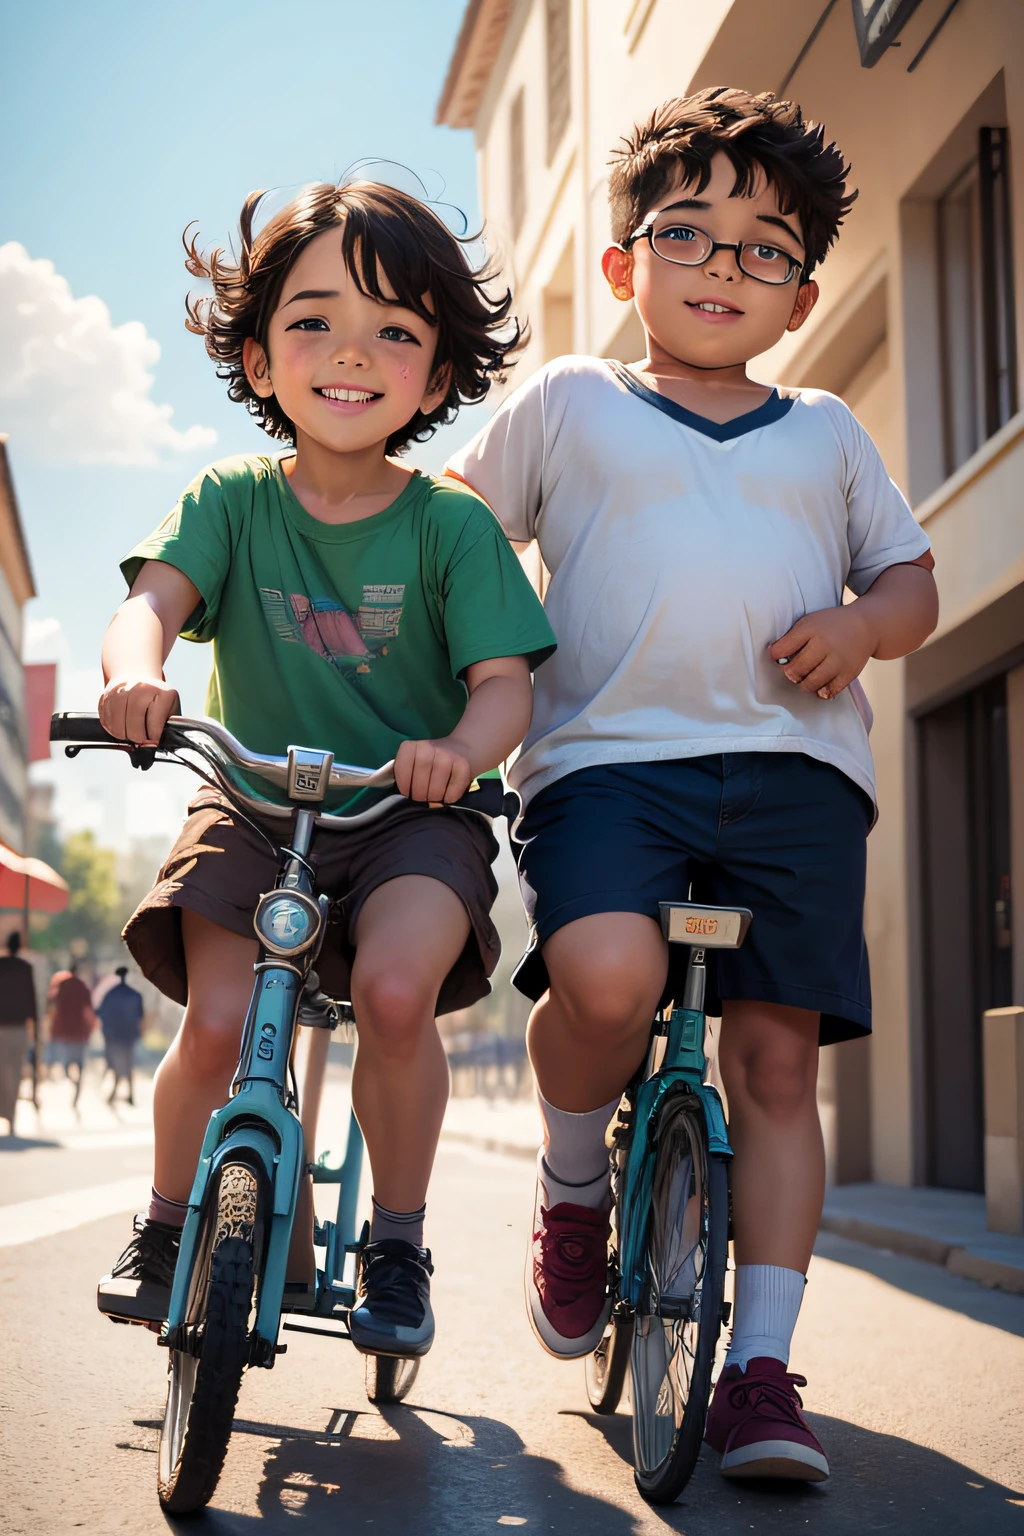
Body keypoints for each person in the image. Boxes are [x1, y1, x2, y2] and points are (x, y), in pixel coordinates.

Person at [448, 88, 938, 1483]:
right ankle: (572, 1185)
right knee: (603, 983)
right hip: (608, 769)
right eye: (691, 234)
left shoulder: (828, 429)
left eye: (766, 248)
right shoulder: (570, 404)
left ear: (799, 295)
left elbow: (908, 582)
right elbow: (465, 548)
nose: (727, 266)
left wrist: (858, 626)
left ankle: (762, 1374)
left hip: (797, 781)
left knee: (778, 1065)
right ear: (624, 266)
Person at [93, 179, 555, 1356]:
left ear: (439, 379)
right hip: (250, 801)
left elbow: (505, 682)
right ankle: (160, 1224)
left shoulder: (449, 525)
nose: (352, 354)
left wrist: (459, 749)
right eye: (312, 322)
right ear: (256, 360)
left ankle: (395, 1245)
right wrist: (134, 675)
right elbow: (152, 604)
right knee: (220, 1020)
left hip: (409, 815)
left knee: (397, 997)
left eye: (395, 331)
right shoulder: (231, 502)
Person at [0, 931, 37, 1132]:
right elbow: (31, 1001)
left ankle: (4, 1111)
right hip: (18, 1029)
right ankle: (11, 1115)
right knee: (14, 1073)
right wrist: (36, 1029)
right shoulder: (25, 968)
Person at [47, 961, 97, 1108]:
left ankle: (73, 1081)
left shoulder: (61, 985)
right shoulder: (82, 987)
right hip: (80, 1032)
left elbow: (51, 1005)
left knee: (67, 1063)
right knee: (79, 1063)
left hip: (64, 1031)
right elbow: (88, 1010)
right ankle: (77, 1088)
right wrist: (92, 1026)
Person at [98, 966, 144, 1105]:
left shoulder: (110, 994)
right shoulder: (135, 994)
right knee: (128, 1064)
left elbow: (101, 1013)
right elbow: (140, 1016)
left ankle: (115, 1094)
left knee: (115, 1064)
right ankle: (129, 1094)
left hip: (114, 1035)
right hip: (129, 1035)